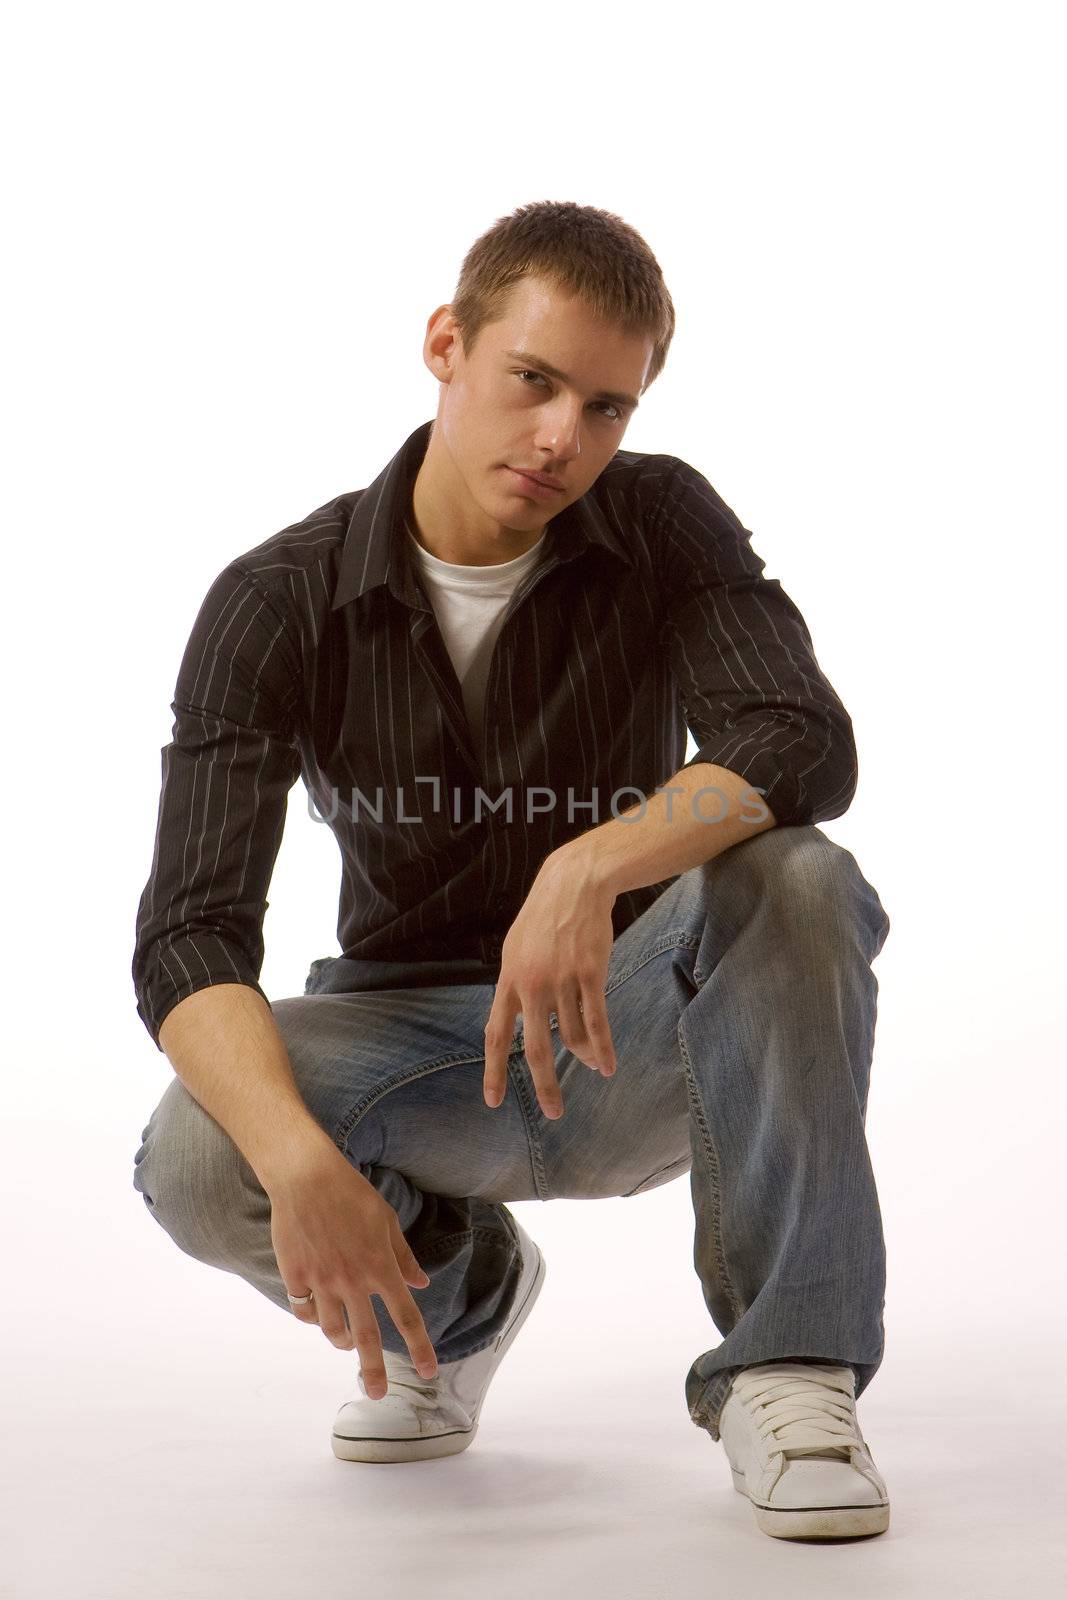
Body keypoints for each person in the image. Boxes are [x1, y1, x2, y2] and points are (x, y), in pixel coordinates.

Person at [131, 199, 892, 1542]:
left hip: (645, 1025)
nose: (562, 441)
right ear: (446, 344)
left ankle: (787, 1368)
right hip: (424, 1052)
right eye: (533, 382)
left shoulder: (658, 521)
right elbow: (190, 937)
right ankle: (460, 1305)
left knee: (799, 876)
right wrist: (300, 1159)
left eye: (607, 408)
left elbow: (799, 736)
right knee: (205, 1149)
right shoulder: (277, 600)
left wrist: (591, 867)